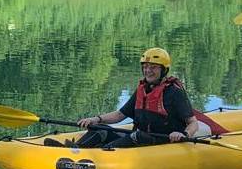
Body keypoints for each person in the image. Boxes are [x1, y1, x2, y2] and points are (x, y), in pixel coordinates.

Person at [66, 48, 225, 147]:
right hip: (141, 138)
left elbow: (193, 123)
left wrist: (184, 135)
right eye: (145, 67)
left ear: (164, 70)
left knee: (137, 135)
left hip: (162, 140)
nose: (148, 71)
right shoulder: (143, 89)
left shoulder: (175, 92)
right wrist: (96, 119)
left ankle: (100, 152)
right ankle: (73, 150)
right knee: (101, 130)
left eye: (153, 67)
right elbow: (120, 115)